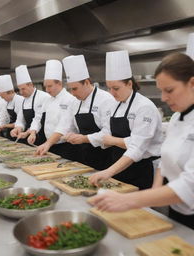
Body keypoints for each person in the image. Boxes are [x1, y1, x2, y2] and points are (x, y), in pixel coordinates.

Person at [89, 52, 194, 230]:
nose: (163, 98)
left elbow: (189, 185)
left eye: (169, 90)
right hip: (177, 206)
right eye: (161, 91)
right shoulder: (177, 117)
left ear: (192, 83)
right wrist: (155, 191)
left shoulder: (145, 107)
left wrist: (128, 200)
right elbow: (165, 157)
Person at [90, 50, 163, 189]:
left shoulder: (144, 107)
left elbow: (137, 147)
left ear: (129, 84)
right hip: (118, 164)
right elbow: (107, 134)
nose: (112, 93)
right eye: (109, 88)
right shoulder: (115, 104)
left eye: (116, 88)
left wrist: (108, 171)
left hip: (138, 169)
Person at [61, 55, 116, 169]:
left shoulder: (105, 99)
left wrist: (84, 138)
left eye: (75, 89)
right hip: (83, 157)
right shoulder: (75, 102)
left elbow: (108, 133)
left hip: (105, 158)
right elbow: (68, 125)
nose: (72, 93)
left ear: (86, 82)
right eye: (70, 89)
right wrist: (69, 135)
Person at [27, 59, 79, 160]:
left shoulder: (70, 99)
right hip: (50, 145)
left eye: (49, 86)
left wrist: (48, 143)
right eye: (45, 86)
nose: (47, 90)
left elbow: (63, 126)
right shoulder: (47, 100)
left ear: (59, 83)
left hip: (67, 147)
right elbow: (38, 118)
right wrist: (33, 132)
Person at [10, 65, 49, 143]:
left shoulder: (43, 97)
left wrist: (30, 132)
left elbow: (38, 118)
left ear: (30, 85)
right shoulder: (24, 100)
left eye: (23, 89)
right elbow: (20, 118)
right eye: (19, 89)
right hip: (28, 135)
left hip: (41, 136)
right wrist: (18, 128)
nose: (21, 92)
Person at [0, 74, 23, 140]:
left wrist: (5, 125)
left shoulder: (19, 100)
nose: (3, 99)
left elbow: (21, 121)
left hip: (20, 132)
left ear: (10, 92)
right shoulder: (6, 102)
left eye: (3, 96)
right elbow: (2, 117)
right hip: (11, 132)